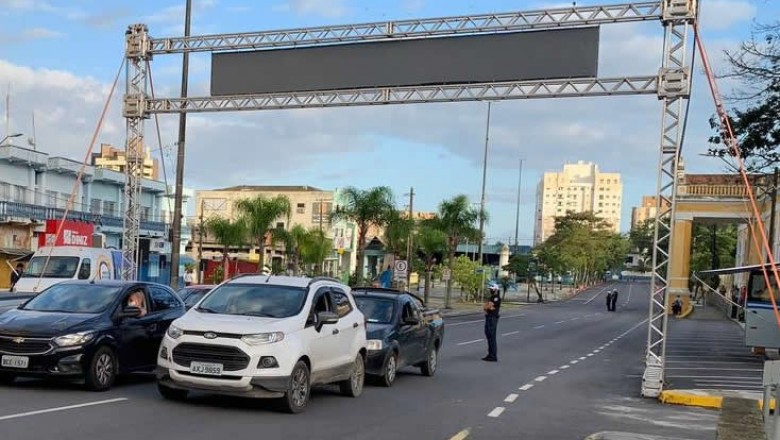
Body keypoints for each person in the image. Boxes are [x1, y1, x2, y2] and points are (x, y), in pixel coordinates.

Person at [482, 285, 501, 362]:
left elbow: (488, 306)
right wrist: (488, 306)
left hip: (492, 318)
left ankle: (493, 355)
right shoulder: (491, 297)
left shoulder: (496, 298)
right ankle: (490, 354)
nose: (491, 290)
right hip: (489, 317)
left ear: (496, 290)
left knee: (492, 336)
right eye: (490, 289)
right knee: (488, 335)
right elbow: (485, 306)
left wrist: (488, 306)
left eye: (492, 289)